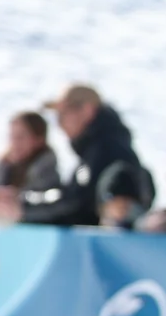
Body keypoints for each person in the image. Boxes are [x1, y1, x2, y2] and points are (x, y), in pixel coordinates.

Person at [48, 84, 154, 229]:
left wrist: (26, 212)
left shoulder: (108, 151)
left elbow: (79, 207)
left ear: (87, 110)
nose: (59, 122)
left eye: (63, 113)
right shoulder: (93, 150)